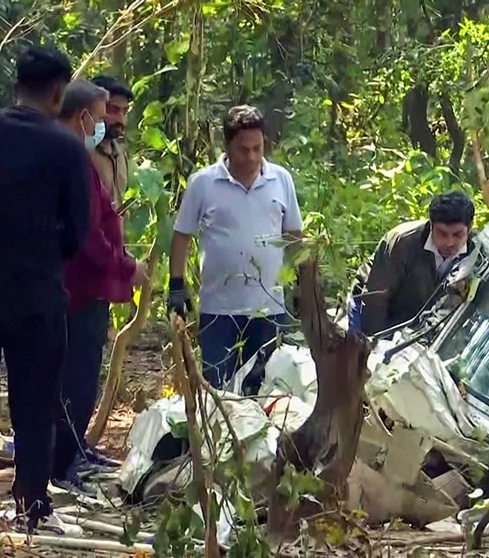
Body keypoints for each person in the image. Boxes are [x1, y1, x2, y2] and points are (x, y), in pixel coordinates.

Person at [0, 45, 90, 530]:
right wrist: (44, 251)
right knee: (34, 406)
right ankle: (31, 507)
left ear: (17, 84)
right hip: (37, 295)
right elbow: (78, 229)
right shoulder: (66, 147)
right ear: (58, 92)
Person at [51, 80, 149, 497]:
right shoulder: (74, 158)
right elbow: (88, 233)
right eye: (105, 113)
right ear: (84, 117)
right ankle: (60, 464)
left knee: (83, 372)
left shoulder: (94, 156)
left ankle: (74, 451)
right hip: (77, 284)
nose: (111, 121)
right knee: (74, 377)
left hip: (93, 284)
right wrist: (126, 267)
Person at [169, 105, 303, 392]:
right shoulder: (203, 183)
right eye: (244, 149)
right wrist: (176, 286)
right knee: (217, 391)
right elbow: (181, 236)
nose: (251, 157)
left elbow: (294, 235)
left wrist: (301, 284)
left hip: (269, 308)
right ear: (227, 145)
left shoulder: (281, 180)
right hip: (219, 310)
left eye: (257, 148)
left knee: (268, 390)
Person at [352, 191, 476, 336]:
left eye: (457, 235)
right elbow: (375, 299)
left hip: (419, 320)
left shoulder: (477, 253)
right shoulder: (403, 241)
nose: (449, 242)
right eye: (442, 234)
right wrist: (373, 341)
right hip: (368, 303)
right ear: (431, 225)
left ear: (470, 228)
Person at [90, 75, 133, 209]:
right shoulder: (82, 151)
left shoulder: (120, 154)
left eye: (125, 111)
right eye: (113, 110)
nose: (121, 119)